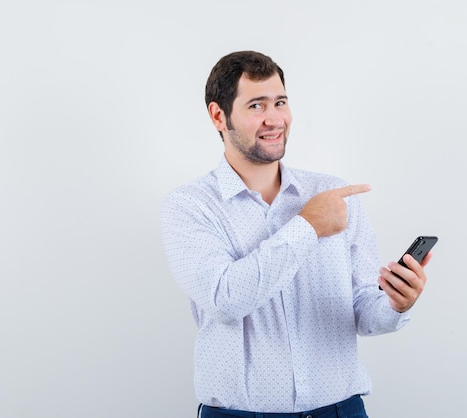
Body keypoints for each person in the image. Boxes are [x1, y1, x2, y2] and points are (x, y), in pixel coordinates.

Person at [159, 50, 432, 418]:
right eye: (256, 105)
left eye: (280, 102)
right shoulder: (189, 206)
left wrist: (397, 304)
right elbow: (225, 299)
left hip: (341, 411)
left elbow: (365, 311)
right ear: (218, 116)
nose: (275, 119)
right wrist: (307, 226)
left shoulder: (335, 195)